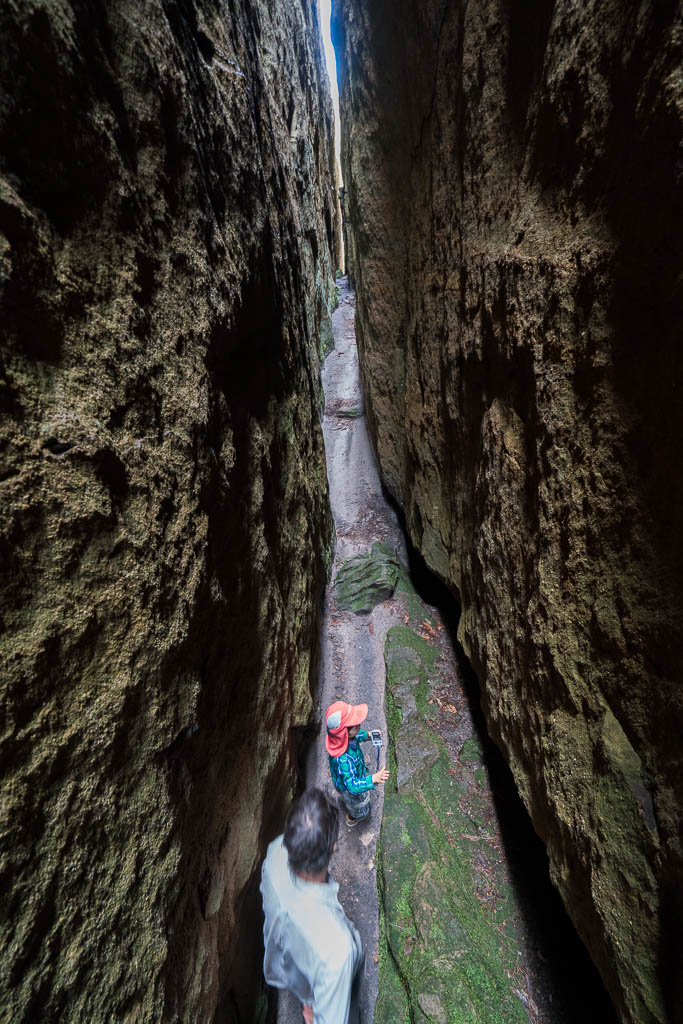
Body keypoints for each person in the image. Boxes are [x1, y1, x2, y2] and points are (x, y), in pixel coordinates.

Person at [260, 787, 363, 1024]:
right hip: (326, 978)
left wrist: (307, 997)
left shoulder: (275, 853)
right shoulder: (338, 952)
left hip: (290, 966)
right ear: (333, 847)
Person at [325, 701, 389, 827]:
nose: (359, 726)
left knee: (348, 795)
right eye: (355, 726)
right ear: (345, 734)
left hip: (345, 777)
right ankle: (353, 818)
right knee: (357, 805)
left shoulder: (339, 739)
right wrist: (373, 779)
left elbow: (356, 736)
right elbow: (352, 786)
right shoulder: (344, 760)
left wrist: (368, 735)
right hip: (349, 789)